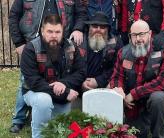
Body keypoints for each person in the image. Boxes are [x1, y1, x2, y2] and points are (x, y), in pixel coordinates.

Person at [8, 0, 87, 133]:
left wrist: (62, 84)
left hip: (59, 56)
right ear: (43, 31)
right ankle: (20, 121)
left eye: (57, 32)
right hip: (33, 43)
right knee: (40, 97)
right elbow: (13, 16)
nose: (54, 35)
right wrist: (18, 42)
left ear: (62, 31)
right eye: (50, 32)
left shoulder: (71, 48)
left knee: (59, 128)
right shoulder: (31, 49)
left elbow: (80, 72)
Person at [118, 1, 164, 137]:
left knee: (160, 85)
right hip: (134, 35)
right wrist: (124, 30)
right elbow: (124, 8)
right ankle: (138, 112)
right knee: (135, 72)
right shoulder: (124, 50)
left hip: (156, 36)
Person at [71, 11, 123, 109]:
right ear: (89, 28)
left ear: (108, 29)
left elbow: (118, 68)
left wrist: (98, 81)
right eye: (95, 26)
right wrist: (81, 83)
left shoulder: (116, 43)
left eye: (102, 27)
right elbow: (70, 69)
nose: (98, 30)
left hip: (104, 88)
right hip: (78, 89)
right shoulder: (78, 42)